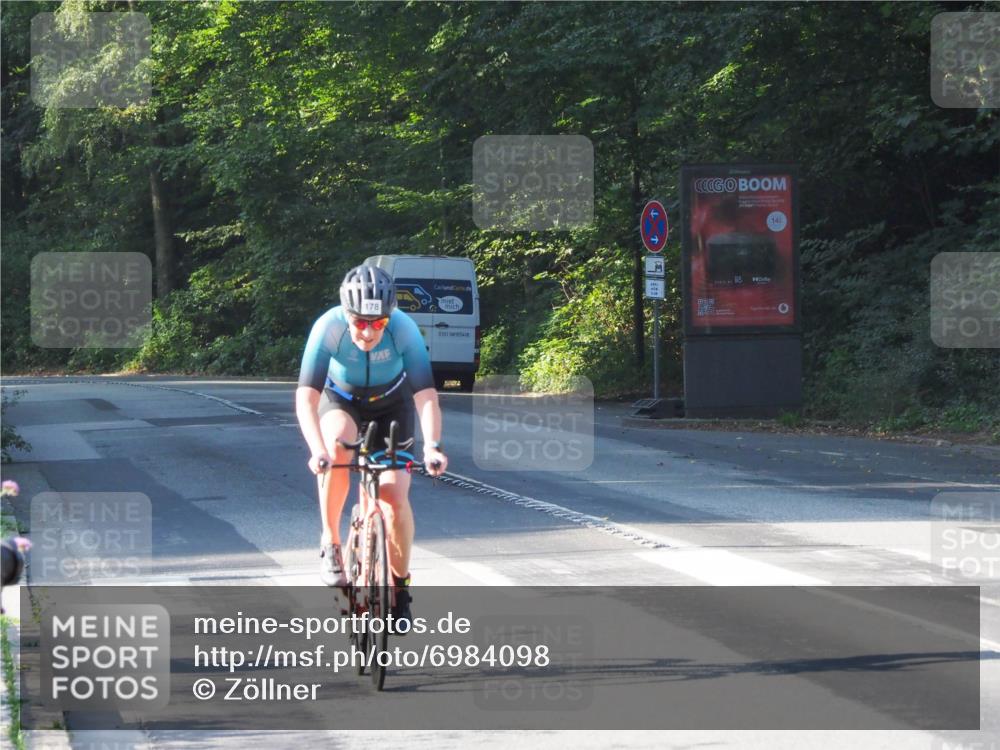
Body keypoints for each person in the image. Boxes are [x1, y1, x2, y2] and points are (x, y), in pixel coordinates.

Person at [295, 264, 447, 625]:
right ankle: (331, 543)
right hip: (341, 399)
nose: (367, 331)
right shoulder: (328, 327)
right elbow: (306, 398)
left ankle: (401, 586)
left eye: (377, 323)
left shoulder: (404, 329)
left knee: (394, 498)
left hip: (391, 404)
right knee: (336, 449)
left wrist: (433, 447)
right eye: (359, 322)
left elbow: (426, 396)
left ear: (389, 317)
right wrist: (316, 450)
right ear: (346, 315)